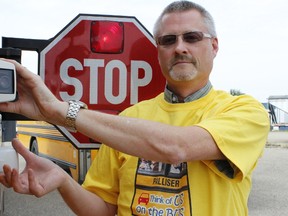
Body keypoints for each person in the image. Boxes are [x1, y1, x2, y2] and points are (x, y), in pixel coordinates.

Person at [0, 1, 270, 215]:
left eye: (191, 37)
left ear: (214, 46)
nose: (180, 48)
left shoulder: (243, 111)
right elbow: (102, 209)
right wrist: (62, 180)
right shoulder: (129, 119)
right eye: (168, 40)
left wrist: (61, 111)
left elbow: (176, 147)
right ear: (158, 51)